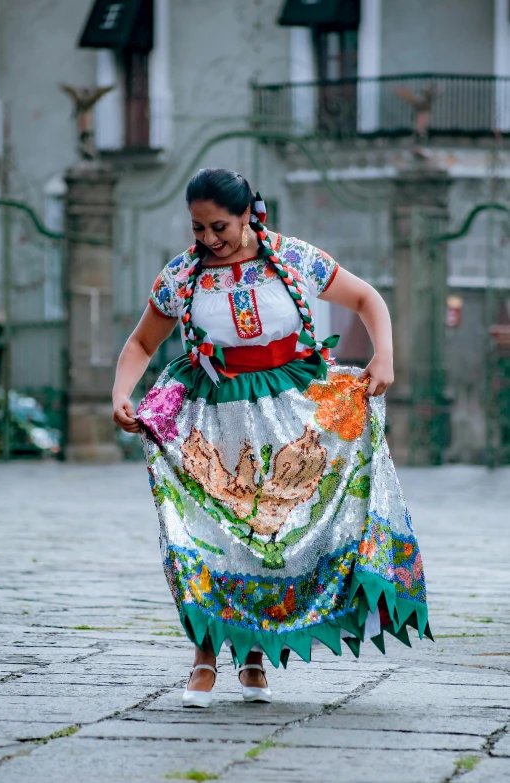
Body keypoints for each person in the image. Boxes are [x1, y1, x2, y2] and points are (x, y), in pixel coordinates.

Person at [112, 168, 431, 708]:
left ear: (247, 216)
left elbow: (368, 299)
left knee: (273, 539)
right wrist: (122, 391)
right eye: (198, 229)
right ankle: (205, 655)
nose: (209, 240)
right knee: (203, 535)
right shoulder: (181, 277)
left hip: (290, 414)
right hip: (208, 421)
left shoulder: (295, 258)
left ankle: (255, 652)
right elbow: (143, 343)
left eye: (220, 227)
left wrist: (385, 357)